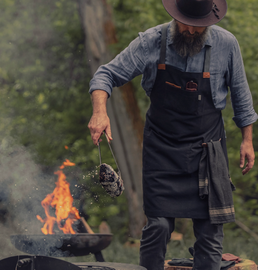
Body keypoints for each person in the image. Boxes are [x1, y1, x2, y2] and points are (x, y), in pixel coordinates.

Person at [88, 0, 257, 269]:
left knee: (210, 230)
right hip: (162, 149)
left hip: (207, 148)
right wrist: (99, 112)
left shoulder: (227, 44)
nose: (191, 30)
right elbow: (105, 74)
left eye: (199, 27)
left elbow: (242, 97)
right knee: (158, 225)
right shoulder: (151, 41)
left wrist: (247, 141)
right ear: (175, 15)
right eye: (186, 23)